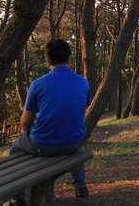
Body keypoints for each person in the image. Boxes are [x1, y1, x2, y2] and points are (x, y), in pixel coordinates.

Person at [7, 39, 91, 205]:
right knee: (73, 143)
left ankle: (17, 199)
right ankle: (80, 186)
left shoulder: (38, 84)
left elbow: (25, 123)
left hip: (42, 145)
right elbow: (80, 109)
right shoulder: (83, 82)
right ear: (69, 58)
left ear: (48, 60)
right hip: (74, 142)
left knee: (15, 148)